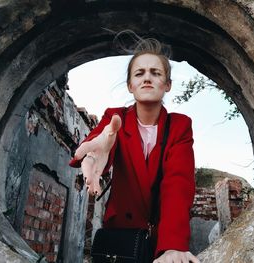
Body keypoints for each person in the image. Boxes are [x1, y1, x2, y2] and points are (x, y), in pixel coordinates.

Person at [69, 35, 200, 263]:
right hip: (121, 239)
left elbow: (178, 182)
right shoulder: (115, 117)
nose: (147, 78)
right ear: (130, 85)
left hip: (162, 238)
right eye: (139, 73)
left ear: (167, 85)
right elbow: (101, 139)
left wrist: (172, 245)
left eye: (155, 73)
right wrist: (93, 154)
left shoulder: (180, 126)